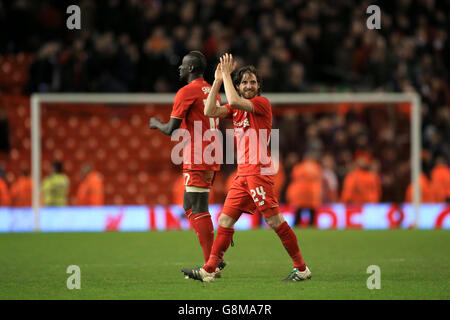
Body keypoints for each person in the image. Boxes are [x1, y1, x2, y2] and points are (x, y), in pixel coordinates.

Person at [182, 53, 311, 282]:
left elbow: (232, 101)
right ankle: (209, 271)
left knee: (274, 221)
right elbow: (209, 110)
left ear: (258, 86)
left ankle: (301, 268)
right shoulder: (236, 109)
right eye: (244, 82)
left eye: (252, 82)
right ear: (240, 86)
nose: (248, 85)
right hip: (243, 174)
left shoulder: (261, 104)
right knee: (224, 221)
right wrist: (218, 81)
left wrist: (228, 76)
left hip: (259, 171)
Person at [149, 51, 225, 274]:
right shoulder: (213, 91)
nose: (179, 69)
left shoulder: (186, 92)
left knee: (199, 207)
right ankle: (214, 259)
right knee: (189, 206)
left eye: (183, 65)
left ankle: (212, 264)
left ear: (191, 68)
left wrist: (156, 124)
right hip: (212, 154)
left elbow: (171, 129)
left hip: (198, 154)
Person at [286, 151, 322, 227]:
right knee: (312, 213)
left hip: (300, 195)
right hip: (311, 194)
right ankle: (311, 226)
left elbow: (294, 179)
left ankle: (296, 226)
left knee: (299, 212)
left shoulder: (298, 167)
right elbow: (318, 181)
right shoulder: (316, 167)